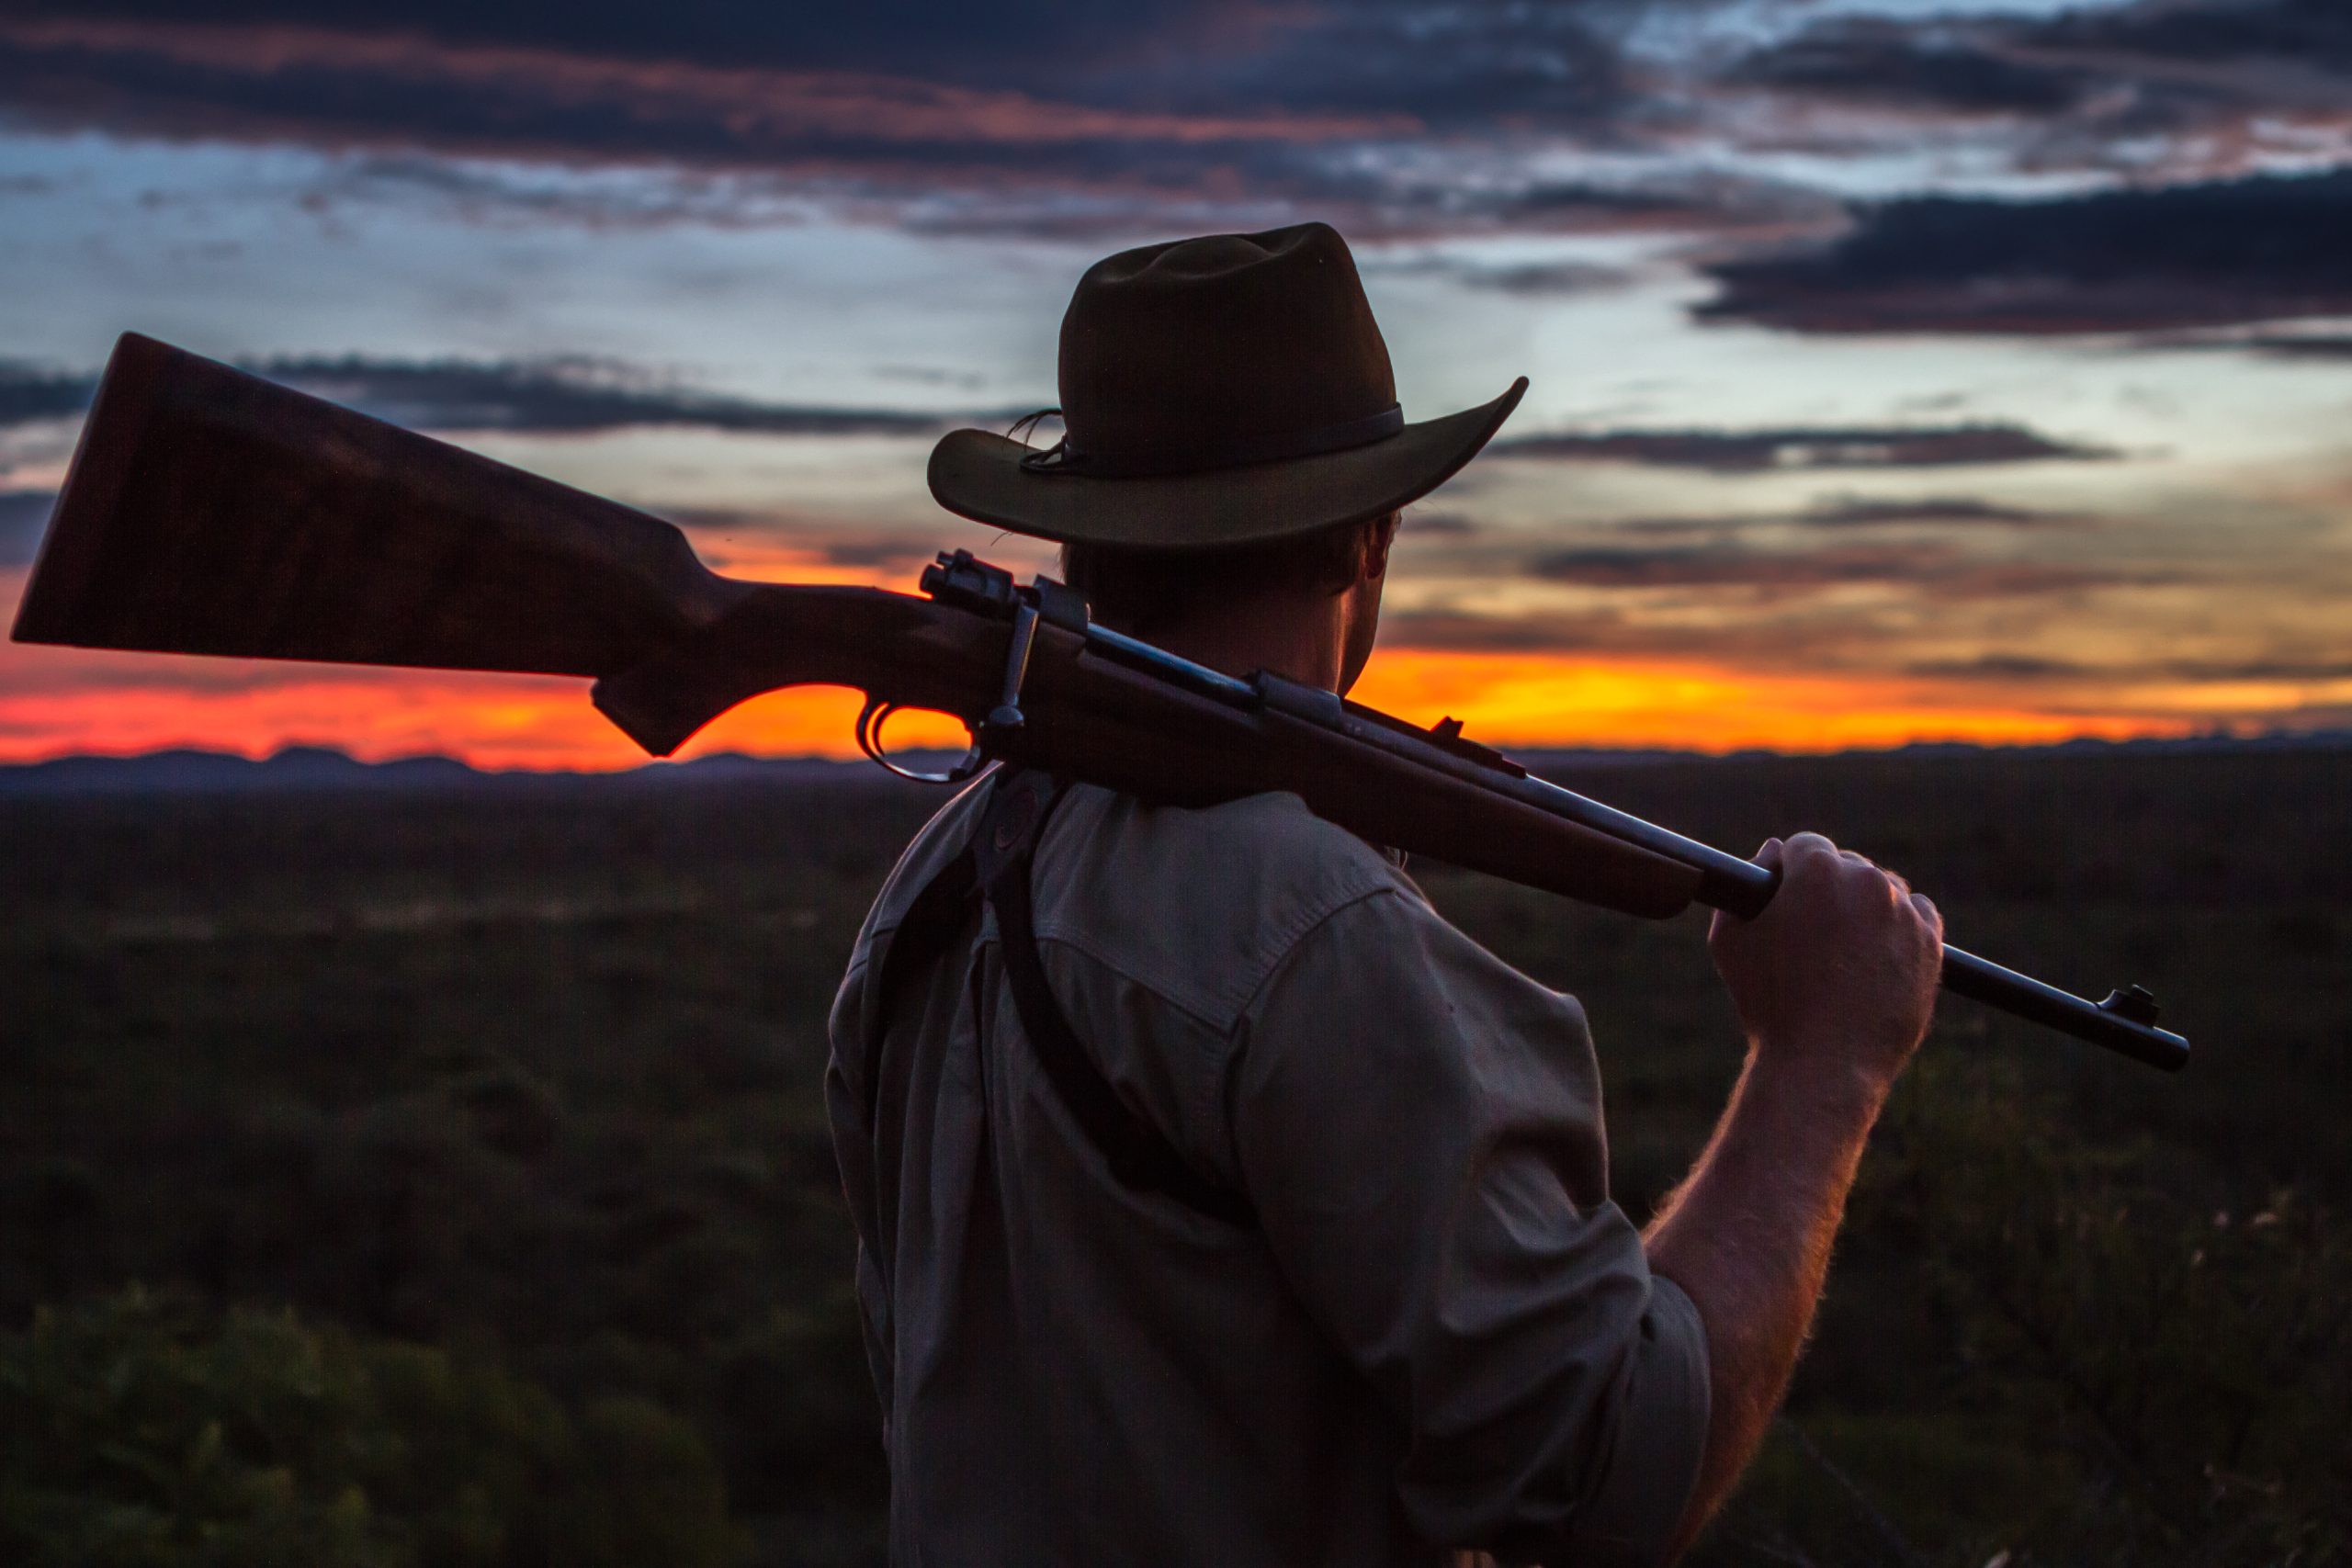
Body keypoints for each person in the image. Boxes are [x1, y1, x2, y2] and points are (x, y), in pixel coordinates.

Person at [826, 221, 1944, 1566]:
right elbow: (1608, 1466)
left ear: (1086, 537)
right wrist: (1821, 1066)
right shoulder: (1311, 924)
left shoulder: (940, 871)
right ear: (1368, 536)